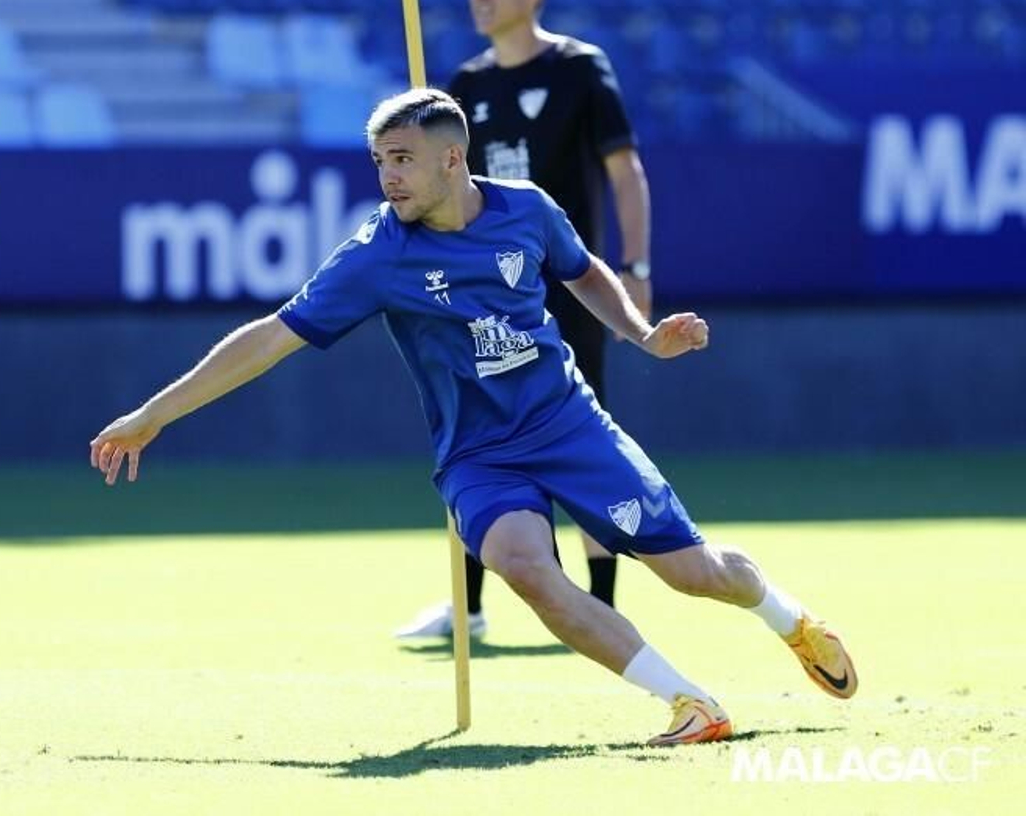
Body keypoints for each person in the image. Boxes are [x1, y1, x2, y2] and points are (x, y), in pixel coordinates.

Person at [89, 89, 857, 745]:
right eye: (380, 161)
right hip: (478, 455)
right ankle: (689, 701)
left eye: (402, 159)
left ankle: (789, 618)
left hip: (569, 425)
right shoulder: (376, 254)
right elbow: (269, 338)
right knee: (526, 566)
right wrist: (154, 414)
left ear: (452, 159)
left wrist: (643, 335)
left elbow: (584, 273)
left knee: (695, 575)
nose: (388, 177)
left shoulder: (526, 209)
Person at [395, 0, 654, 640]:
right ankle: (469, 607)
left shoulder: (578, 68)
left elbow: (624, 169)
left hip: (565, 290)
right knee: (473, 436)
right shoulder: (467, 85)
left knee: (584, 440)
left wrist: (635, 269)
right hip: (479, 296)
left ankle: (602, 599)